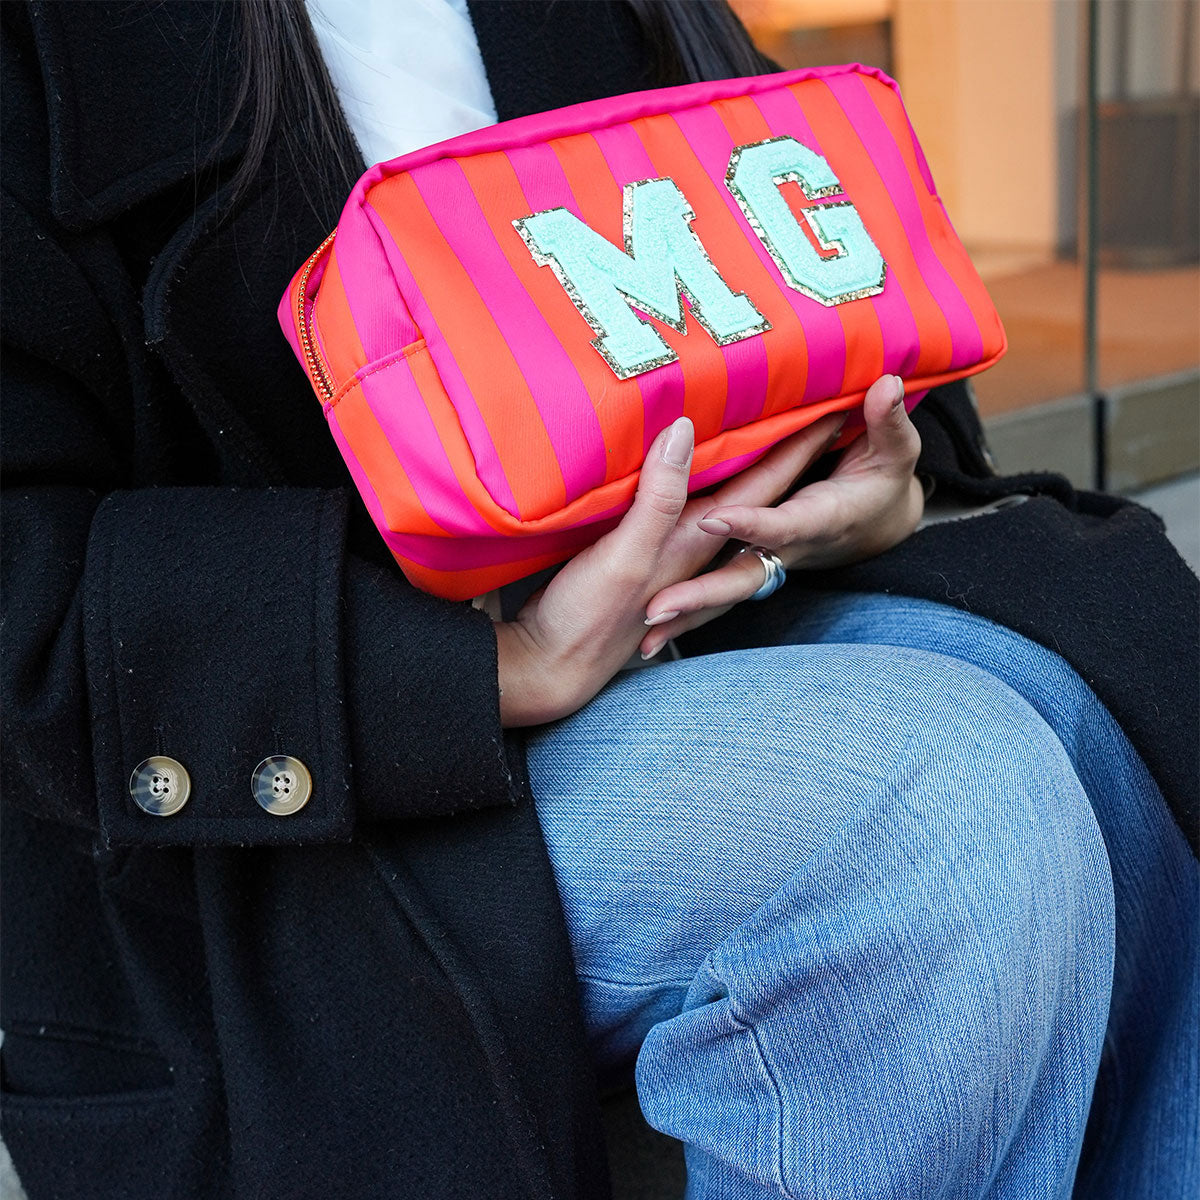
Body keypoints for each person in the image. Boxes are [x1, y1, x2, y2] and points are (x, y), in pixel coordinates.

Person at [1, 3, 1194, 1199]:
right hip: (275, 812)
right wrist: (491, 663)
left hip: (681, 637)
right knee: (936, 810)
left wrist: (878, 484)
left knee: (1116, 702)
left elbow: (812, 249)